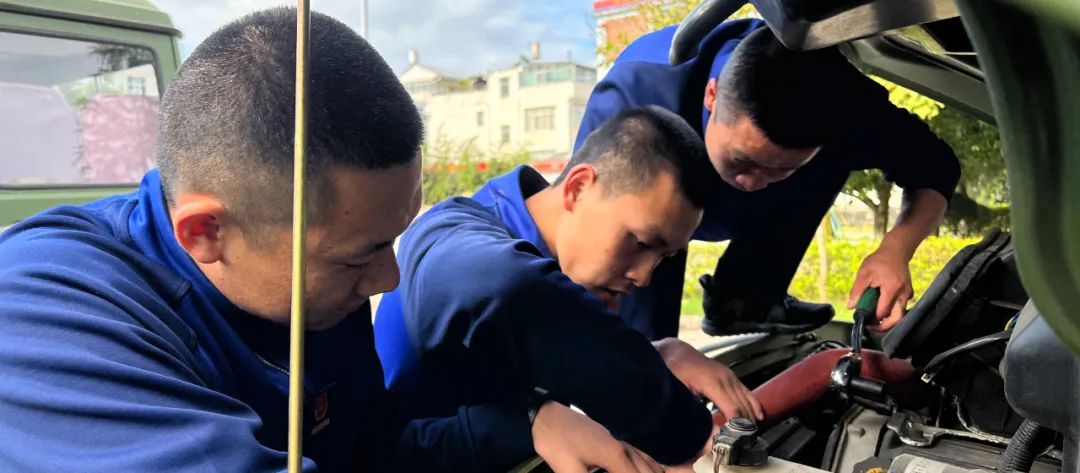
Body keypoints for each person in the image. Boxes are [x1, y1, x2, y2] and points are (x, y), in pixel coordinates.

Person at [0, 9, 675, 473]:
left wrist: (527, 422)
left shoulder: (316, 290)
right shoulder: (42, 314)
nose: (387, 280)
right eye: (359, 256)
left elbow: (369, 451)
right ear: (206, 232)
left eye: (390, 242)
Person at [375, 105, 764, 471]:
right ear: (577, 188)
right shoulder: (447, 236)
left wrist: (652, 353)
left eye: (663, 256)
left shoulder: (567, 276)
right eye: (640, 242)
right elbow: (507, 289)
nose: (644, 276)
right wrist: (682, 431)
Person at [576, 20, 961, 339]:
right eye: (742, 160)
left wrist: (896, 250)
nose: (753, 184)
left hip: (755, 200)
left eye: (781, 169)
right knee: (642, 346)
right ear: (712, 96)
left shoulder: (846, 104)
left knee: (830, 160)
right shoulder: (637, 93)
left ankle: (746, 301)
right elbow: (575, 226)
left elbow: (937, 166)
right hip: (648, 211)